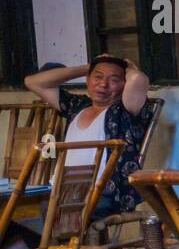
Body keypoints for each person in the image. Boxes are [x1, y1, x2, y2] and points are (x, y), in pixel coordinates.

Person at [24, 55, 152, 217]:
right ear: (87, 79)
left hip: (102, 194)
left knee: (44, 218)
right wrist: (88, 67)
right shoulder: (77, 106)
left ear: (124, 84)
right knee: (15, 211)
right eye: (97, 77)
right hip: (61, 191)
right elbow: (32, 82)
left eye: (113, 80)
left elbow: (138, 78)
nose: (103, 84)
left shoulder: (125, 111)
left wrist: (127, 65)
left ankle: (45, 240)